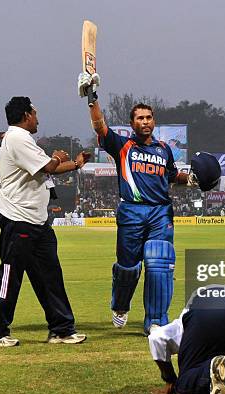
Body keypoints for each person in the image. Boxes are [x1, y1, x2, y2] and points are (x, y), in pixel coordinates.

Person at [78, 72, 197, 335]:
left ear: (154, 121)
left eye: (148, 117)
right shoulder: (122, 145)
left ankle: (155, 320)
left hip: (160, 211)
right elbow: (100, 126)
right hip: (131, 210)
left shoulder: (164, 149)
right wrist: (91, 96)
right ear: (132, 123)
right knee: (128, 267)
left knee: (159, 264)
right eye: (140, 118)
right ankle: (120, 305)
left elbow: (171, 176)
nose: (145, 121)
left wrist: (191, 179)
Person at [0, 96, 90, 347]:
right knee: (10, 275)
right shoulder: (18, 138)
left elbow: (47, 168)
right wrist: (57, 156)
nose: (38, 118)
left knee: (50, 276)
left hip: (36, 221)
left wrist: (74, 164)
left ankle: (61, 329)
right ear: (26, 115)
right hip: (19, 219)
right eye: (35, 113)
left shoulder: (22, 139)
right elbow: (49, 167)